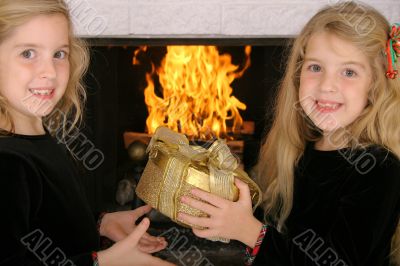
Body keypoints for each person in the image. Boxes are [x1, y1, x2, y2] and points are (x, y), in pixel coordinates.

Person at [178, 1, 400, 265]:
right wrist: (232, 196)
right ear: (297, 75)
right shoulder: (296, 151)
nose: (327, 85)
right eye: (315, 67)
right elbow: (278, 245)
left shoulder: (378, 169)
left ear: (374, 86)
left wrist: (249, 231)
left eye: (349, 72)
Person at [0, 1, 175, 265]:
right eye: (28, 53)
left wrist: (100, 223)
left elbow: (45, 222)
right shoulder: (7, 161)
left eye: (59, 54)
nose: (49, 71)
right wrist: (103, 261)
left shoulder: (35, 138)